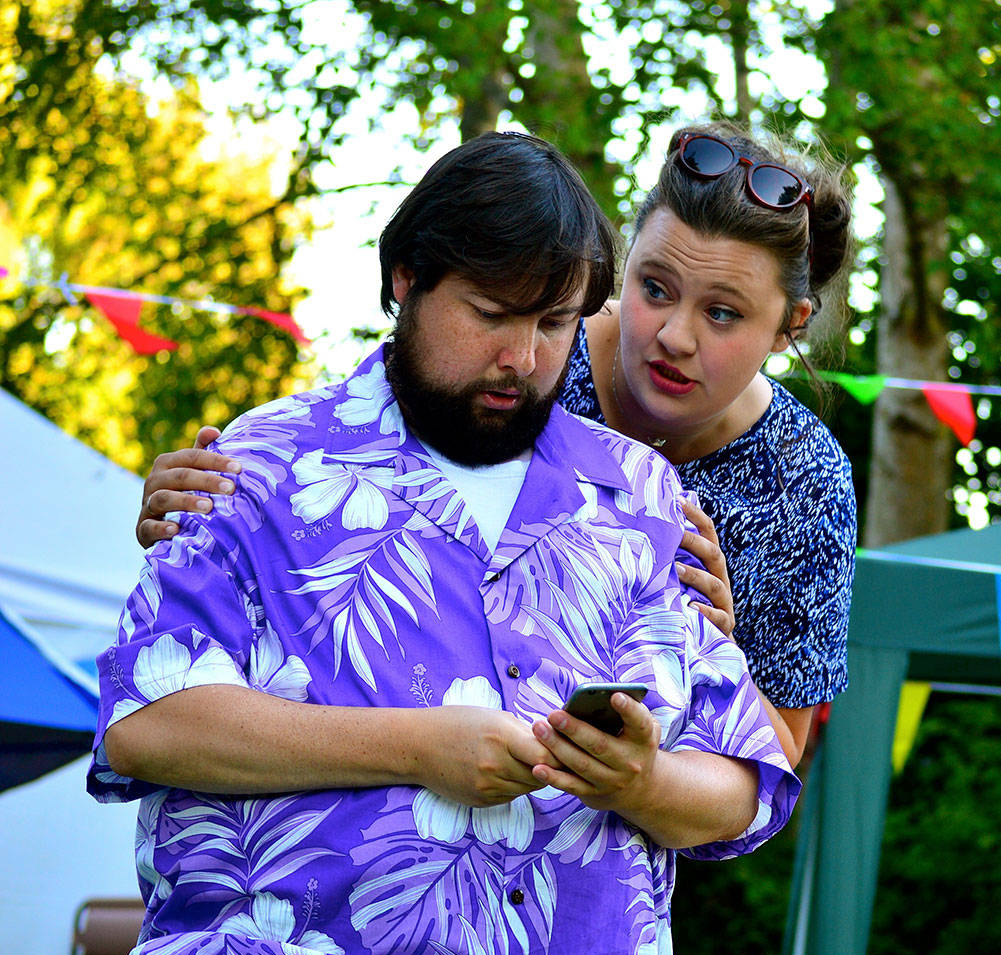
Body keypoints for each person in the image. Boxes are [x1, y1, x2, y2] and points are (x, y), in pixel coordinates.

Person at [93, 131, 799, 955]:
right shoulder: (253, 467)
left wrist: (644, 781)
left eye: (554, 324)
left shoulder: (642, 498)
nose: (522, 355)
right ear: (406, 278)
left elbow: (750, 784)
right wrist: (421, 745)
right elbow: (145, 720)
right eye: (491, 314)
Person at [138, 122, 858, 767]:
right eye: (655, 288)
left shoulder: (807, 483)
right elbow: (351, 468)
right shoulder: (528, 349)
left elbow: (775, 755)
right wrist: (227, 500)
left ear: (789, 326)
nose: (674, 334)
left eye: (723, 313)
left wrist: (705, 656)